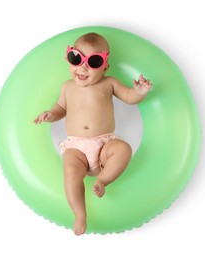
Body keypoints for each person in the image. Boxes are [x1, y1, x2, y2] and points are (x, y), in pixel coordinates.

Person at [34, 32, 153, 235]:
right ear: (68, 58)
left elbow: (128, 96)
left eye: (94, 62)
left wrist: (140, 92)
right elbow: (60, 109)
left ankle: (103, 180)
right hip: (76, 147)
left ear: (105, 67)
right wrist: (50, 115)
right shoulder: (67, 87)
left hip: (104, 145)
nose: (83, 67)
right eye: (76, 58)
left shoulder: (109, 83)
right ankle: (80, 213)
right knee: (70, 172)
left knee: (123, 149)